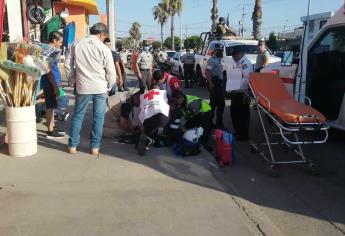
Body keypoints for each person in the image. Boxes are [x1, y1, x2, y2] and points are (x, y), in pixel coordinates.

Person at [65, 23, 116, 155]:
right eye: (105, 36)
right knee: (98, 118)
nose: (104, 39)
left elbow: (67, 65)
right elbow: (111, 71)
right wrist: (109, 86)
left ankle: (72, 146)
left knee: (77, 116)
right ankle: (95, 147)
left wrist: (74, 79)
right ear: (101, 34)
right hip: (100, 87)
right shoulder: (104, 48)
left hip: (83, 86)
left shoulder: (76, 44)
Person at [40, 31, 65, 139]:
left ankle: (52, 127)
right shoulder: (50, 51)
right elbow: (49, 70)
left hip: (50, 81)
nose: (61, 44)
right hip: (50, 82)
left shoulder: (47, 49)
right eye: (60, 42)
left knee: (52, 105)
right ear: (54, 40)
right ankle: (50, 131)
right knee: (50, 106)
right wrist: (55, 86)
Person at [137, 83, 170, 156]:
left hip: (147, 118)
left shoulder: (143, 96)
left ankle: (147, 136)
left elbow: (142, 108)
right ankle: (154, 138)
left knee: (149, 127)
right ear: (159, 88)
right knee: (165, 117)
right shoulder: (163, 93)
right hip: (161, 117)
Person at [230, 46, 253, 141]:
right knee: (235, 112)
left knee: (242, 114)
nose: (234, 58)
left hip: (243, 93)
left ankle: (243, 135)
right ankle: (238, 131)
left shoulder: (245, 63)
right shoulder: (238, 62)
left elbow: (246, 79)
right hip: (236, 92)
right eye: (233, 57)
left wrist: (235, 86)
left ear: (240, 53)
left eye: (235, 56)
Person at [205, 44, 225, 129]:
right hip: (215, 84)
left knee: (215, 104)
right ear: (215, 51)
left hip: (219, 84)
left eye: (222, 50)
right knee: (219, 104)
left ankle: (210, 122)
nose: (221, 52)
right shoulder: (212, 60)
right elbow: (207, 71)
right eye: (219, 51)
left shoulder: (219, 60)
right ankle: (217, 124)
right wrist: (210, 83)